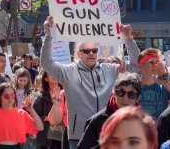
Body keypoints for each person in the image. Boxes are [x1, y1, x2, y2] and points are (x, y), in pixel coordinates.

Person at [41, 16, 139, 148]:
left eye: (94, 50)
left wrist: (128, 38)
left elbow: (136, 66)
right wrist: (48, 35)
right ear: (78, 54)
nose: (91, 53)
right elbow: (46, 63)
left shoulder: (109, 69)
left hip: (109, 133)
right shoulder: (68, 72)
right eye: (86, 51)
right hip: (78, 137)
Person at [78, 72, 142, 149]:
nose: (125, 98)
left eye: (131, 94)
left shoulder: (144, 123)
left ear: (137, 98)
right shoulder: (97, 121)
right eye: (121, 92)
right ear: (114, 93)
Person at [0, 83, 44, 148]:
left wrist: (31, 110)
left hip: (17, 147)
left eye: (12, 95)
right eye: (6, 96)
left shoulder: (21, 113)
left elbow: (40, 127)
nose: (10, 98)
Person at [138, 48, 170, 121]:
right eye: (151, 62)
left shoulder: (164, 86)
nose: (155, 65)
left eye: (157, 62)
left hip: (160, 131)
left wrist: (167, 83)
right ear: (140, 66)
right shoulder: (133, 87)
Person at [33, 71, 63, 149]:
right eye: (50, 72)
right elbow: (34, 117)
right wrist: (46, 118)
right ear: (46, 79)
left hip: (63, 136)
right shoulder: (41, 98)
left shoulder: (66, 93)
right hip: (47, 138)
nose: (54, 74)